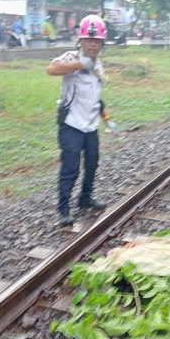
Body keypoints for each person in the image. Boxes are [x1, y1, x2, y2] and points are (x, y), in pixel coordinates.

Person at [46, 14, 109, 227]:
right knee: (70, 168)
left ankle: (85, 198)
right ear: (81, 40)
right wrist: (78, 65)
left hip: (91, 126)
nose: (92, 44)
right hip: (71, 125)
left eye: (96, 41)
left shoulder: (99, 65)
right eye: (88, 40)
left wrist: (106, 117)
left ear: (102, 43)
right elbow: (51, 69)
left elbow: (96, 97)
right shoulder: (70, 57)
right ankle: (63, 209)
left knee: (92, 164)